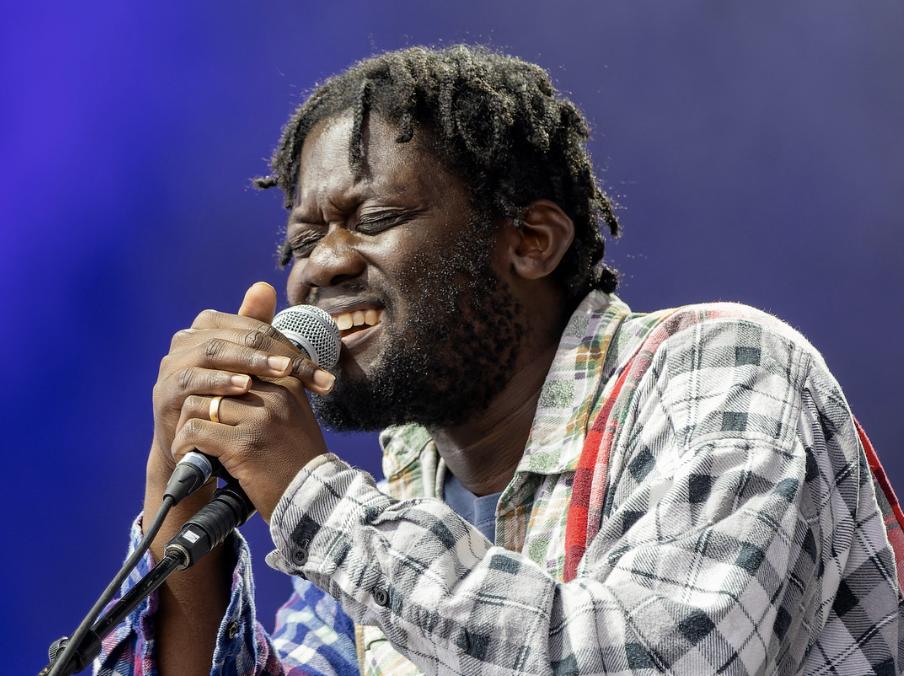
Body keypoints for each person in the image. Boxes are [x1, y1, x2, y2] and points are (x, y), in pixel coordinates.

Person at [96, 45, 903, 675]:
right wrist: (179, 490)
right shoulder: (401, 494)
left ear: (531, 240)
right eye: (302, 240)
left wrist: (310, 496)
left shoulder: (719, 368)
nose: (322, 265)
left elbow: (659, 660)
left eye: (374, 218)